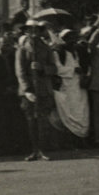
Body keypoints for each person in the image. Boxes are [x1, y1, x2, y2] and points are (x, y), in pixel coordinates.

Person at [15, 19, 56, 161]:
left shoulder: (46, 48)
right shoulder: (22, 49)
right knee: (31, 121)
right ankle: (34, 150)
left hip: (43, 89)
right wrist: (27, 90)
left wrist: (43, 68)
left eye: (36, 30)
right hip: (30, 91)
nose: (33, 33)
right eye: (30, 30)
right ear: (26, 31)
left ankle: (43, 150)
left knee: (43, 121)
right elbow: (20, 72)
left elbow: (54, 68)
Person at [51, 30, 90, 140]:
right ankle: (69, 138)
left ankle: (80, 137)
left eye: (73, 38)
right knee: (68, 112)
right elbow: (57, 69)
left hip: (77, 87)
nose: (72, 41)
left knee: (81, 111)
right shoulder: (58, 52)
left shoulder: (75, 52)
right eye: (69, 38)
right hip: (66, 86)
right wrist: (73, 69)